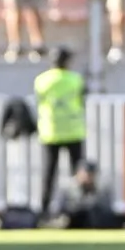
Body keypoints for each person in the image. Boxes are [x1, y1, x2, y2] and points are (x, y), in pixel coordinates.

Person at [34, 46, 86, 218]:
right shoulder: (76, 79)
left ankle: (44, 210)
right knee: (77, 175)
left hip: (51, 131)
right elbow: (81, 99)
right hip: (73, 130)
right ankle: (78, 210)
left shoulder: (41, 80)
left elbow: (40, 100)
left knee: (49, 175)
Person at [55, 160, 125, 229]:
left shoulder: (102, 188)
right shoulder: (67, 187)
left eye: (91, 174)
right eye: (87, 174)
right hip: (75, 219)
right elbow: (60, 209)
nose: (89, 177)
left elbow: (108, 209)